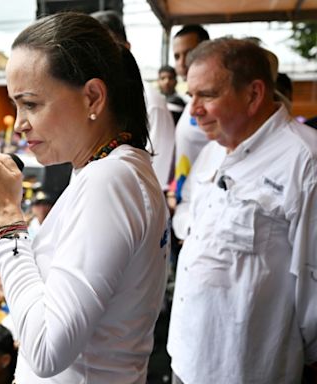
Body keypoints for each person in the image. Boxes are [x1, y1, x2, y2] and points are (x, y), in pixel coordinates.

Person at [0, 12, 169, 383]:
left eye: (31, 104)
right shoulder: (108, 170)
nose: (19, 123)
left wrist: (5, 222)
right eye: (16, 105)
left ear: (92, 96)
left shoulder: (110, 180)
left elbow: (46, 350)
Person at [167, 38, 317, 384]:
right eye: (191, 96)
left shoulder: (303, 161)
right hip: (186, 354)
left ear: (253, 94)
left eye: (206, 95)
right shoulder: (213, 151)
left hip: (246, 367)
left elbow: (312, 284)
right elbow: (187, 212)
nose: (194, 110)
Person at [91, 9, 176, 191]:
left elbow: (156, 178)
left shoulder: (152, 102)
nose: (97, 59)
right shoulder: (94, 100)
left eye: (106, 48)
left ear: (126, 47)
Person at [172, 24, 210, 203]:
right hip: (184, 205)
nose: (182, 62)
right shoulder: (190, 105)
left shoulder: (216, 107)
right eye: (177, 56)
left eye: (189, 53)